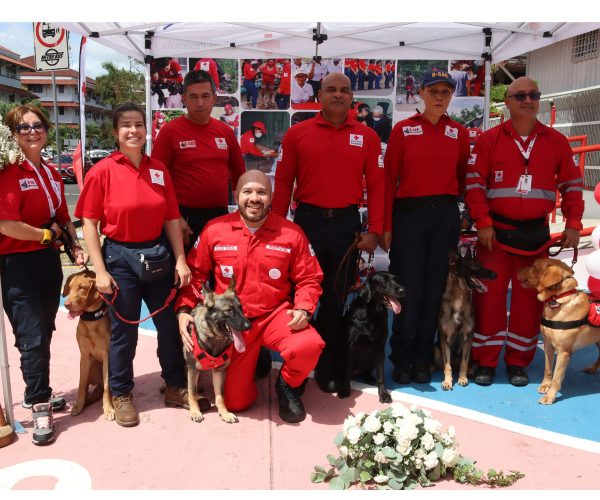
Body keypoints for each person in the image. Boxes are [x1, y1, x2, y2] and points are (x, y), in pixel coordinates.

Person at [76, 102, 194, 428]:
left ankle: (173, 385)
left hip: (157, 257)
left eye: (138, 124)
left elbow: (171, 218)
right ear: (115, 133)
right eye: (126, 125)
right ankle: (121, 393)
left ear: (146, 130)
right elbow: (89, 223)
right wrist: (100, 271)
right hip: (120, 259)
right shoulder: (102, 170)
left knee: (169, 327)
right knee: (124, 333)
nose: (133, 130)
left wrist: (181, 260)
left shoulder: (158, 170)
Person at [176, 170, 324, 423]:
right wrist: (184, 310)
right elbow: (197, 273)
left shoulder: (291, 233)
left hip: (275, 315)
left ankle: (287, 385)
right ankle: (254, 359)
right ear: (236, 195)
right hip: (234, 325)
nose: (254, 198)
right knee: (236, 403)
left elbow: (310, 278)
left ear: (271, 198)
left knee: (309, 346)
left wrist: (303, 308)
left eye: (261, 192)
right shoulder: (216, 229)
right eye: (247, 192)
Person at [464, 77, 584, 387]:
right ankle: (485, 362)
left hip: (535, 239)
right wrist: (484, 223)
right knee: (488, 301)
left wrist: (573, 224)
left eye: (533, 95)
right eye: (520, 95)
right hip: (495, 236)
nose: (527, 100)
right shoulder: (489, 140)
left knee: (528, 304)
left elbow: (572, 185)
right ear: (508, 101)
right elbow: (475, 186)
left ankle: (518, 362)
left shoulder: (556, 141)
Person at [273, 72, 384, 393]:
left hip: (347, 228)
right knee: (298, 299)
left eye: (344, 90)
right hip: (305, 224)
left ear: (352, 97)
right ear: (319, 95)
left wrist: (375, 230)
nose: (338, 95)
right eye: (331, 90)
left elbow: (377, 186)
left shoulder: (366, 136)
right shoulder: (298, 134)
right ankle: (294, 364)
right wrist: (276, 226)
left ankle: (325, 365)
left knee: (335, 302)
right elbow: (282, 182)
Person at [0, 104, 87, 445]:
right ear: (13, 134)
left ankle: (37, 389)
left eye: (38, 125)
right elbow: (7, 224)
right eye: (24, 127)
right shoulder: (8, 171)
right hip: (17, 265)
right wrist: (46, 235)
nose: (33, 131)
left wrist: (73, 245)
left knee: (43, 333)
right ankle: (39, 406)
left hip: (48, 265)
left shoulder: (50, 172)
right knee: (32, 337)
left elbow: (63, 215)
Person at [382, 69, 470, 384]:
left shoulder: (459, 133)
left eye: (446, 92)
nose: (439, 97)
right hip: (409, 216)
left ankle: (422, 359)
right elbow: (388, 179)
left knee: (434, 290)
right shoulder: (403, 130)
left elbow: (461, 178)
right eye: (433, 91)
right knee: (408, 289)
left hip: (443, 216)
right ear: (421, 94)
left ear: (451, 96)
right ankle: (401, 358)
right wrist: (386, 224)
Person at [152, 70, 245, 250]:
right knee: (184, 275)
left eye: (205, 96)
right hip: (183, 219)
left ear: (214, 98)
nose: (200, 103)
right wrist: (174, 217)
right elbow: (156, 180)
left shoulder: (225, 132)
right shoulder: (169, 132)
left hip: (220, 217)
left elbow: (240, 176)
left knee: (218, 274)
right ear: (184, 98)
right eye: (193, 97)